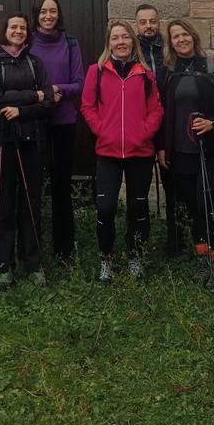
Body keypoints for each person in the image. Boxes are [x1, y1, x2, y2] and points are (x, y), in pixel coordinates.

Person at [82, 21, 163, 283]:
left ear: (132, 42)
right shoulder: (96, 71)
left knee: (138, 208)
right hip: (108, 151)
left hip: (140, 152)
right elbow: (87, 107)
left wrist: (143, 132)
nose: (121, 42)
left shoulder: (146, 74)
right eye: (115, 38)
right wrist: (102, 131)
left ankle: (135, 256)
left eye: (125, 37)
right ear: (109, 43)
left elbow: (156, 110)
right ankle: (106, 258)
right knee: (105, 208)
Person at [155, 19, 214, 285]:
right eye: (175, 37)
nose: (181, 39)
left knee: (205, 203)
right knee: (193, 207)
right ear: (171, 43)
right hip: (181, 151)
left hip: (212, 150)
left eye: (184, 34)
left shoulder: (213, 67)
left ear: (193, 36)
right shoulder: (167, 72)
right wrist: (162, 147)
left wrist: (213, 122)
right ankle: (202, 257)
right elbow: (161, 113)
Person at [0, 12, 54, 290]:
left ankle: (33, 263)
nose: (19, 31)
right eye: (14, 27)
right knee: (5, 202)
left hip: (32, 139)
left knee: (31, 201)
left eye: (23, 28)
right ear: (5, 30)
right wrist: (31, 95)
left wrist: (22, 109)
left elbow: (47, 100)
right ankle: (4, 266)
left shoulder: (35, 62)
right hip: (2, 140)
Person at [31, 0, 84, 263]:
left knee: (62, 186)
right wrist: (38, 95)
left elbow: (79, 84)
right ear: (36, 15)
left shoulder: (70, 43)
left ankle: (65, 250)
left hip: (64, 120)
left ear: (58, 14)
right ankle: (33, 249)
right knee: (33, 185)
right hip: (34, 120)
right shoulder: (27, 41)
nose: (48, 15)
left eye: (53, 11)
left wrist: (57, 90)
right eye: (43, 11)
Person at [135, 2, 178, 253]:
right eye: (143, 22)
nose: (148, 26)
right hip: (141, 122)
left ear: (158, 22)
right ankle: (141, 242)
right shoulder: (130, 49)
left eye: (152, 21)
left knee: (171, 183)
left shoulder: (170, 48)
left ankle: (175, 239)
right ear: (137, 24)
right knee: (140, 184)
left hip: (169, 122)